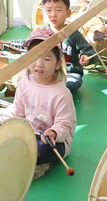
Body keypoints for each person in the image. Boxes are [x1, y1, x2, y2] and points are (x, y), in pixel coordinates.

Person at [9, 27, 76, 179]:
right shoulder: (24, 82)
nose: (39, 64)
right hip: (28, 133)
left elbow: (64, 124)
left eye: (47, 59)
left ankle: (37, 162)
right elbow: (17, 112)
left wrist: (53, 133)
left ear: (58, 64)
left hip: (53, 140)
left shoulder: (62, 93)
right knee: (0, 134)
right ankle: (26, 158)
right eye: (34, 56)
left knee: (44, 149)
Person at [38, 0, 96, 93]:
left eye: (58, 10)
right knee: (25, 77)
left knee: (72, 82)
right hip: (46, 72)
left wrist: (86, 57)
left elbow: (90, 52)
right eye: (48, 10)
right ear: (42, 12)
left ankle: (48, 90)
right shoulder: (40, 33)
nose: (53, 15)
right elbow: (27, 45)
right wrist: (9, 45)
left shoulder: (74, 34)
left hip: (69, 73)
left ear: (68, 13)